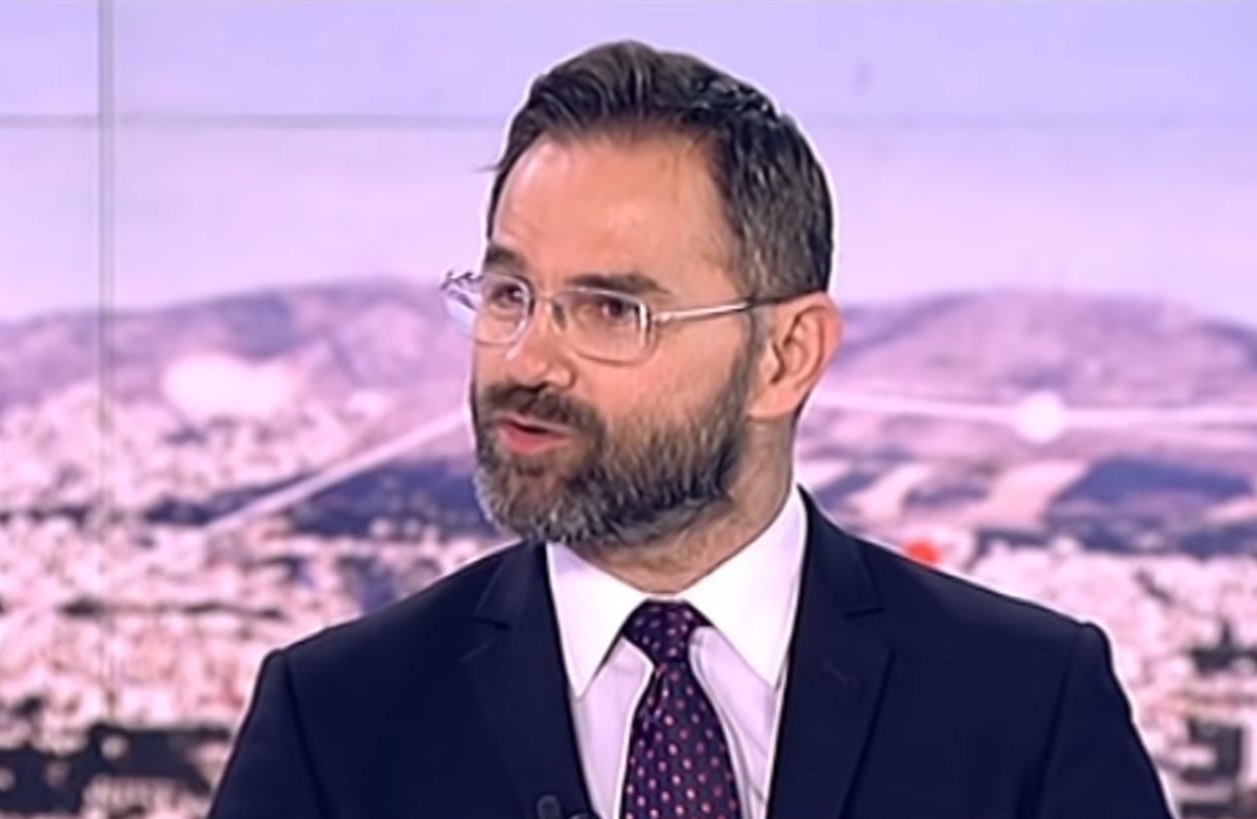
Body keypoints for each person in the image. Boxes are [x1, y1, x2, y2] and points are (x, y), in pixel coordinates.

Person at [206, 40, 1173, 819]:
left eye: (611, 310)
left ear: (785, 356)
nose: (527, 360)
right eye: (508, 294)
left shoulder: (1028, 706)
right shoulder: (336, 720)